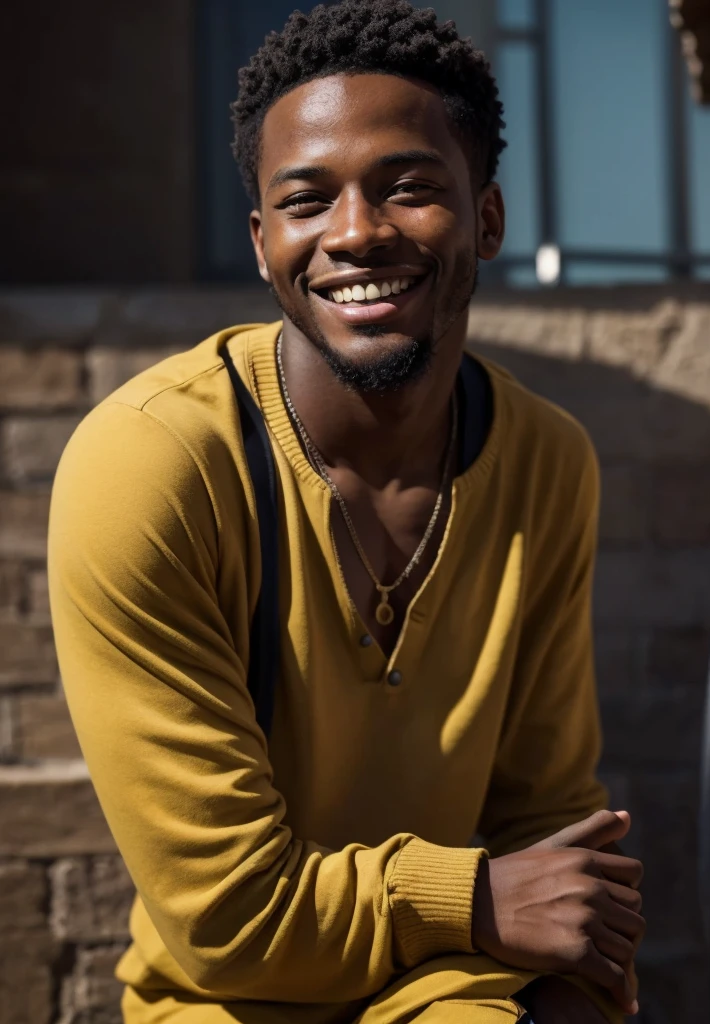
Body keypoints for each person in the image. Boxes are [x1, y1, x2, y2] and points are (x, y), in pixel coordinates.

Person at [48, 3, 645, 1022]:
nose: (357, 232)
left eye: (408, 188)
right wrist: (469, 895)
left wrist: (574, 987)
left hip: (455, 989)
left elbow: (549, 835)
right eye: (307, 200)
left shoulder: (545, 461)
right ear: (264, 240)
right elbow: (230, 921)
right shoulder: (150, 466)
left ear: (487, 218)